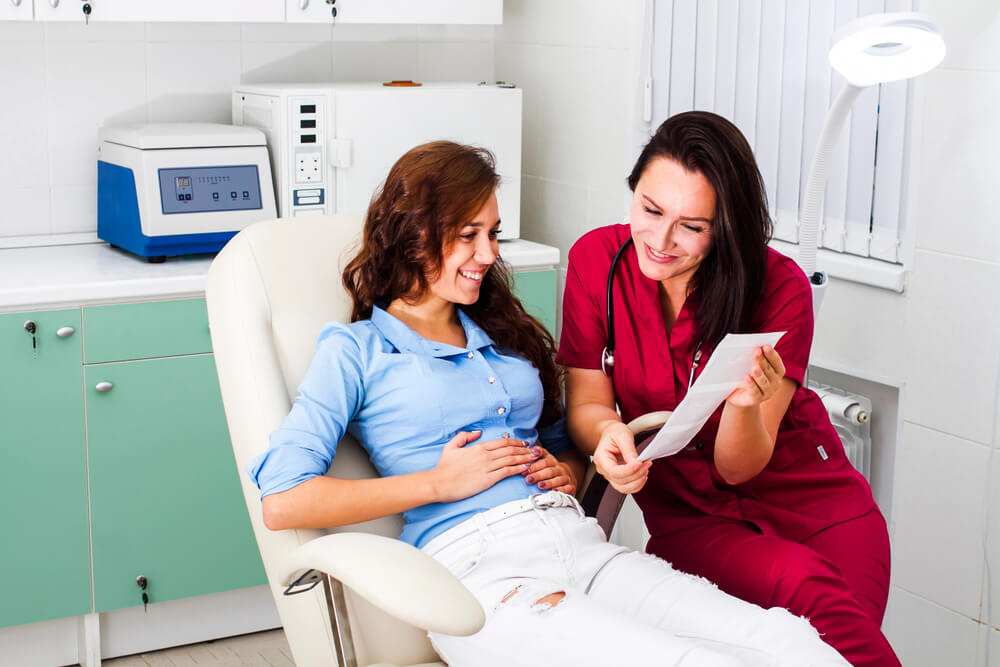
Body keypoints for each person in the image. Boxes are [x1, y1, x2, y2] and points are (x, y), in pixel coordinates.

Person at [247, 140, 850, 667]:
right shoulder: (358, 349)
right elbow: (283, 501)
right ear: (414, 236)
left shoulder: (502, 339)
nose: (488, 255)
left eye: (492, 234)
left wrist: (571, 469)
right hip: (481, 574)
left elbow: (567, 441)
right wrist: (436, 484)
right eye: (468, 237)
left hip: (580, 545)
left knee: (792, 645)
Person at [559, 111, 898, 667]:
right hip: (695, 517)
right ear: (634, 191)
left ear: (727, 226)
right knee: (808, 596)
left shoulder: (779, 286)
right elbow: (590, 402)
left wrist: (743, 406)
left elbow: (742, 465)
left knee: (839, 647)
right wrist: (606, 434)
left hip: (819, 512)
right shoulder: (596, 262)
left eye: (691, 226)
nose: (661, 240)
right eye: (650, 210)